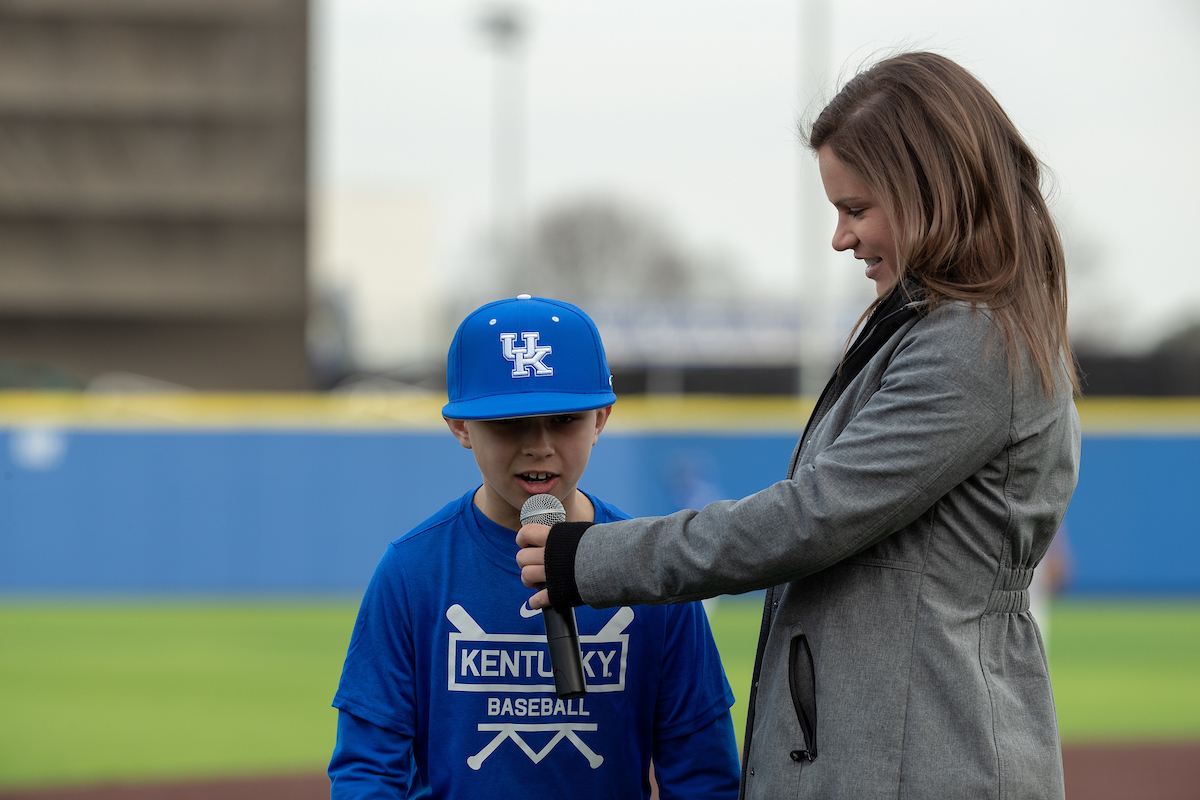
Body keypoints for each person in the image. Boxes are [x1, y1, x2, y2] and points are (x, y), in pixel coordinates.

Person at [517, 52, 1081, 800]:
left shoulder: (971, 343)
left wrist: (590, 559)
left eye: (856, 207)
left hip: (928, 765)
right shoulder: (935, 329)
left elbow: (809, 519)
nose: (841, 238)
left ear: (929, 193)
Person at [329, 294, 740, 798]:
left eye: (564, 419)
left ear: (601, 419)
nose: (538, 444)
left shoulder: (649, 571)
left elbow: (703, 775)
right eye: (509, 422)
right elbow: (368, 770)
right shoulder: (414, 571)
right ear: (460, 426)